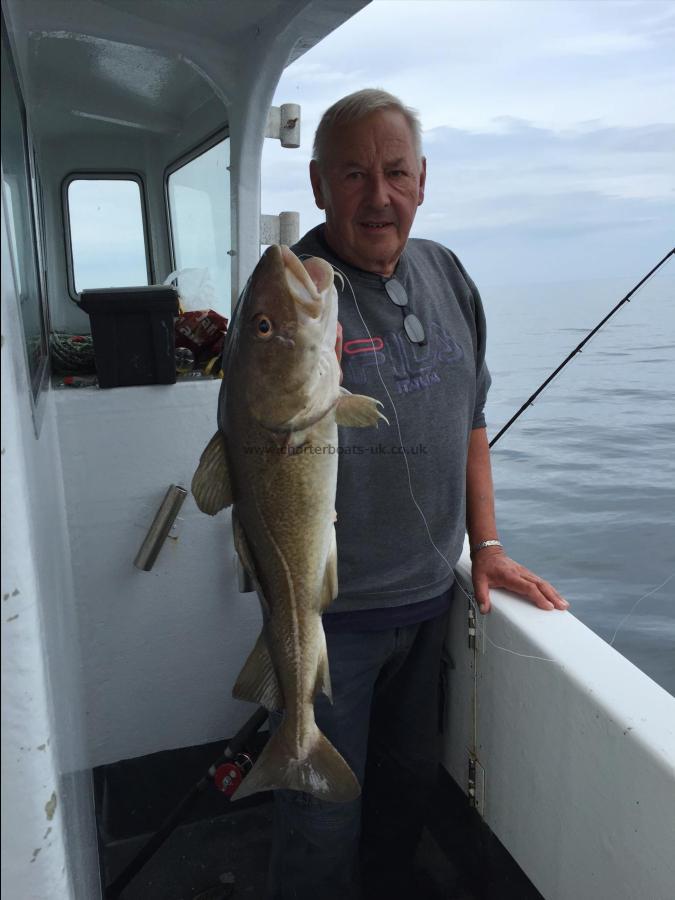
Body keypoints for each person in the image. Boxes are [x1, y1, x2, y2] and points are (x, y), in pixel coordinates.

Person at [267, 89, 568, 900]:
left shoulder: (446, 273)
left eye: (395, 172)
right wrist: (304, 340)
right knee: (320, 816)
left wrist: (489, 546)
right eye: (354, 174)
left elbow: (469, 417)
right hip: (332, 622)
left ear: (423, 179)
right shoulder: (295, 297)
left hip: (430, 599)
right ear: (319, 184)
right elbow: (263, 406)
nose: (378, 195)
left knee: (403, 794)